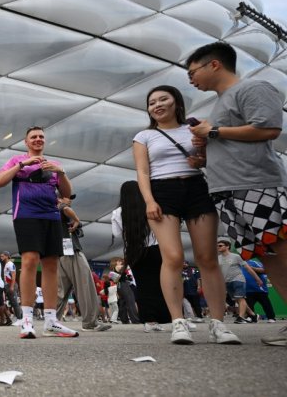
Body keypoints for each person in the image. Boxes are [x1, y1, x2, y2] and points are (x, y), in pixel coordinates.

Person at [186, 41, 287, 347]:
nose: (191, 79)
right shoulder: (220, 103)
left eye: (193, 71)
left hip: (257, 185)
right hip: (230, 191)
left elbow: (268, 128)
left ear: (213, 64)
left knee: (281, 251)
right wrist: (205, 155)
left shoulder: (253, 88)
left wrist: (213, 132)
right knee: (269, 257)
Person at [132, 85, 239, 345]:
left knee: (207, 257)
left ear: (176, 102)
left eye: (163, 99)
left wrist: (201, 159)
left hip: (196, 189)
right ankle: (178, 322)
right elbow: (143, 172)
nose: (157, 105)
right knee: (173, 257)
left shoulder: (195, 129)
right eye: (151, 102)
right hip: (162, 191)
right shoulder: (144, 136)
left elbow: (212, 159)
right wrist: (149, 201)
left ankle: (218, 324)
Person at [0, 126, 77, 338]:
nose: (38, 139)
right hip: (26, 214)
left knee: (51, 264)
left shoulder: (53, 165)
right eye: (34, 137)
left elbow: (67, 194)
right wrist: (23, 164)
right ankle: (27, 319)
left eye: (41, 136)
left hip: (51, 215)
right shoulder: (17, 160)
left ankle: (51, 320)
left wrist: (61, 172)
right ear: (26, 142)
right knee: (30, 260)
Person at [112, 182, 175, 334]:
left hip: (134, 251)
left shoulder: (117, 212)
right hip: (155, 249)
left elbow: (117, 234)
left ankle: (149, 321)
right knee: (161, 284)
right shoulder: (149, 207)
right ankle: (174, 318)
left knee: (143, 286)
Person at [56, 200, 111, 332]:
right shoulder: (61, 207)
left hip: (58, 253)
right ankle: (90, 322)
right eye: (68, 197)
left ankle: (52, 321)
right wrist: (76, 219)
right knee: (85, 285)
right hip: (71, 252)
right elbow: (64, 208)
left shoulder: (47, 210)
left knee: (60, 291)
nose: (70, 200)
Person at [217, 239, 262, 324]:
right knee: (238, 300)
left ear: (227, 246)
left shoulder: (236, 256)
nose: (218, 247)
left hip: (238, 279)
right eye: (217, 246)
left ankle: (241, 317)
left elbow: (247, 268)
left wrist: (257, 279)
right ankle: (253, 316)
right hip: (227, 282)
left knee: (240, 298)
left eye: (220, 245)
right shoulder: (218, 258)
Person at [242, 257, 276, 323]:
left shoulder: (253, 262)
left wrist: (252, 268)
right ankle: (250, 317)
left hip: (259, 288)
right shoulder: (237, 264)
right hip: (247, 289)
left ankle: (271, 317)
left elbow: (264, 270)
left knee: (266, 304)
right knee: (248, 304)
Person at [0, 251, 21, 326]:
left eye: (2, 256)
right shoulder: (6, 264)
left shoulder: (10, 264)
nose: (1, 257)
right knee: (12, 302)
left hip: (11, 284)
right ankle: (18, 318)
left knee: (15, 302)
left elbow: (14, 275)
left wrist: (12, 286)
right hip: (7, 285)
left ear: (7, 256)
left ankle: (20, 319)